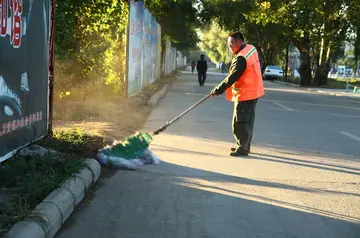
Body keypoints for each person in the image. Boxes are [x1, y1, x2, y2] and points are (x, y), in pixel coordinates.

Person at [210, 32, 265, 157]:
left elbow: (232, 77)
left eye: (231, 44)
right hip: (254, 90)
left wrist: (218, 90)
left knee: (239, 122)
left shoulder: (241, 57)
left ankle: (242, 149)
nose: (230, 47)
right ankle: (244, 145)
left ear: (239, 42)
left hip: (245, 93)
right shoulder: (251, 49)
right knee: (247, 121)